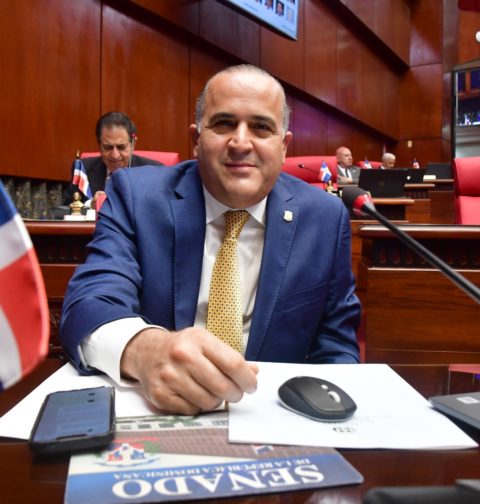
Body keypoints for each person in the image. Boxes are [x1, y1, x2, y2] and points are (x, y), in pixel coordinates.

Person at [60, 64, 361, 415]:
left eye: (261, 127)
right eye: (224, 124)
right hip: (160, 410)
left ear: (284, 146)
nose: (241, 143)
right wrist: (145, 351)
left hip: (275, 416)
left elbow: (337, 347)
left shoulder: (325, 218)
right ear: (196, 139)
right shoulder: (136, 198)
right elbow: (89, 302)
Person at [63, 111, 163, 207]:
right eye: (108, 147)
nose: (115, 155)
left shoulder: (154, 171)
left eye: (121, 147)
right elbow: (65, 208)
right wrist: (90, 205)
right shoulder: (83, 169)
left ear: (133, 144)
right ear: (99, 145)